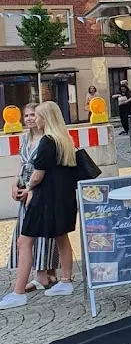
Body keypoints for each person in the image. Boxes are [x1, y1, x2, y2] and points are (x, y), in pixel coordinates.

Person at [0, 101, 78, 309]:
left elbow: (37, 175)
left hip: (43, 198)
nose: (35, 119)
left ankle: (18, 292)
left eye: (38, 115)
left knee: (24, 242)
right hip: (62, 197)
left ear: (47, 118)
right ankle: (65, 280)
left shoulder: (47, 141)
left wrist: (28, 188)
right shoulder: (64, 140)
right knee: (61, 237)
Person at [6, 103, 58, 292]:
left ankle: (43, 274)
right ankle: (44, 274)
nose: (28, 119)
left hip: (40, 188)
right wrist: (15, 184)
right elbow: (21, 166)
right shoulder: (25, 139)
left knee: (43, 232)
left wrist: (30, 188)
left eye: (32, 115)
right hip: (26, 185)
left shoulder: (47, 139)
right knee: (25, 230)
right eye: (26, 115)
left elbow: (44, 170)